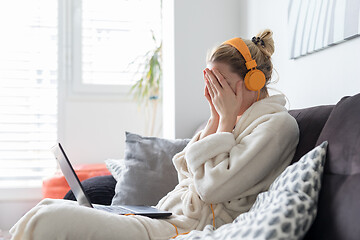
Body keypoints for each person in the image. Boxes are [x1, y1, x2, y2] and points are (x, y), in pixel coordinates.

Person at [10, 29, 299, 240]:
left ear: (254, 81)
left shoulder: (276, 126)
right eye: (210, 83)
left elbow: (212, 189)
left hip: (186, 229)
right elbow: (185, 173)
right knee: (47, 206)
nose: (213, 93)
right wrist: (215, 117)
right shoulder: (228, 120)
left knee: (49, 220)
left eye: (220, 84)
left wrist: (223, 120)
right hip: (165, 215)